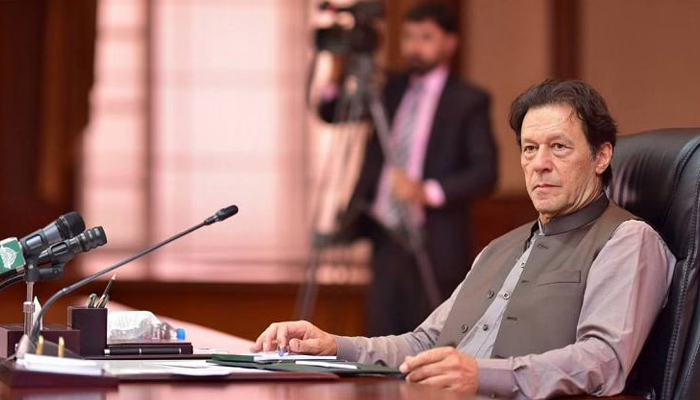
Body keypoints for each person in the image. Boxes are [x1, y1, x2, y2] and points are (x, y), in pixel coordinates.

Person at [254, 79, 676, 398]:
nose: (539, 164)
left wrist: (480, 374)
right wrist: (333, 346)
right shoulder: (500, 247)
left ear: (602, 156)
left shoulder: (627, 239)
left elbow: (601, 362)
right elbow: (425, 342)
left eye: (559, 147)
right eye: (529, 149)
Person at [318, 2, 498, 336]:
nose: (415, 46)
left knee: (432, 337)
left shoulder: (468, 99)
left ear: (449, 43)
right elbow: (332, 111)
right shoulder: (389, 87)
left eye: (426, 37)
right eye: (409, 37)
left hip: (435, 238)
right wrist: (337, 64)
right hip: (384, 234)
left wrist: (427, 191)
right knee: (381, 335)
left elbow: (486, 173)